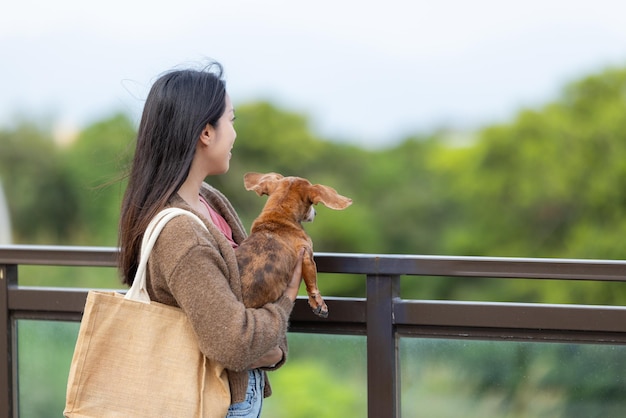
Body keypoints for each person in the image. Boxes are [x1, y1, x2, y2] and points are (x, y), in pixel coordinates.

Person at [118, 62, 303, 417]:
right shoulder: (181, 233)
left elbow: (246, 306)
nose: (234, 133)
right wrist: (285, 304)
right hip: (212, 402)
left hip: (227, 394)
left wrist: (272, 349)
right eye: (231, 120)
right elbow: (234, 341)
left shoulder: (209, 200)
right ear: (206, 132)